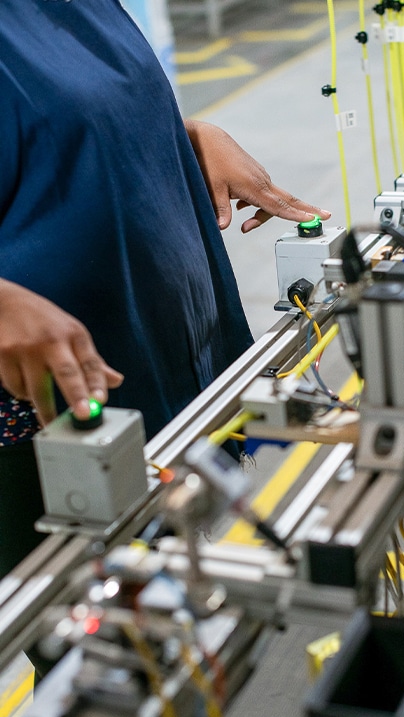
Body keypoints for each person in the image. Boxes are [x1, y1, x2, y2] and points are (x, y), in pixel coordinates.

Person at [0, 0, 331, 579]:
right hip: (39, 413)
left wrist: (180, 136)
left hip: (147, 358)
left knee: (162, 582)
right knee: (83, 626)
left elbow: (56, 118)